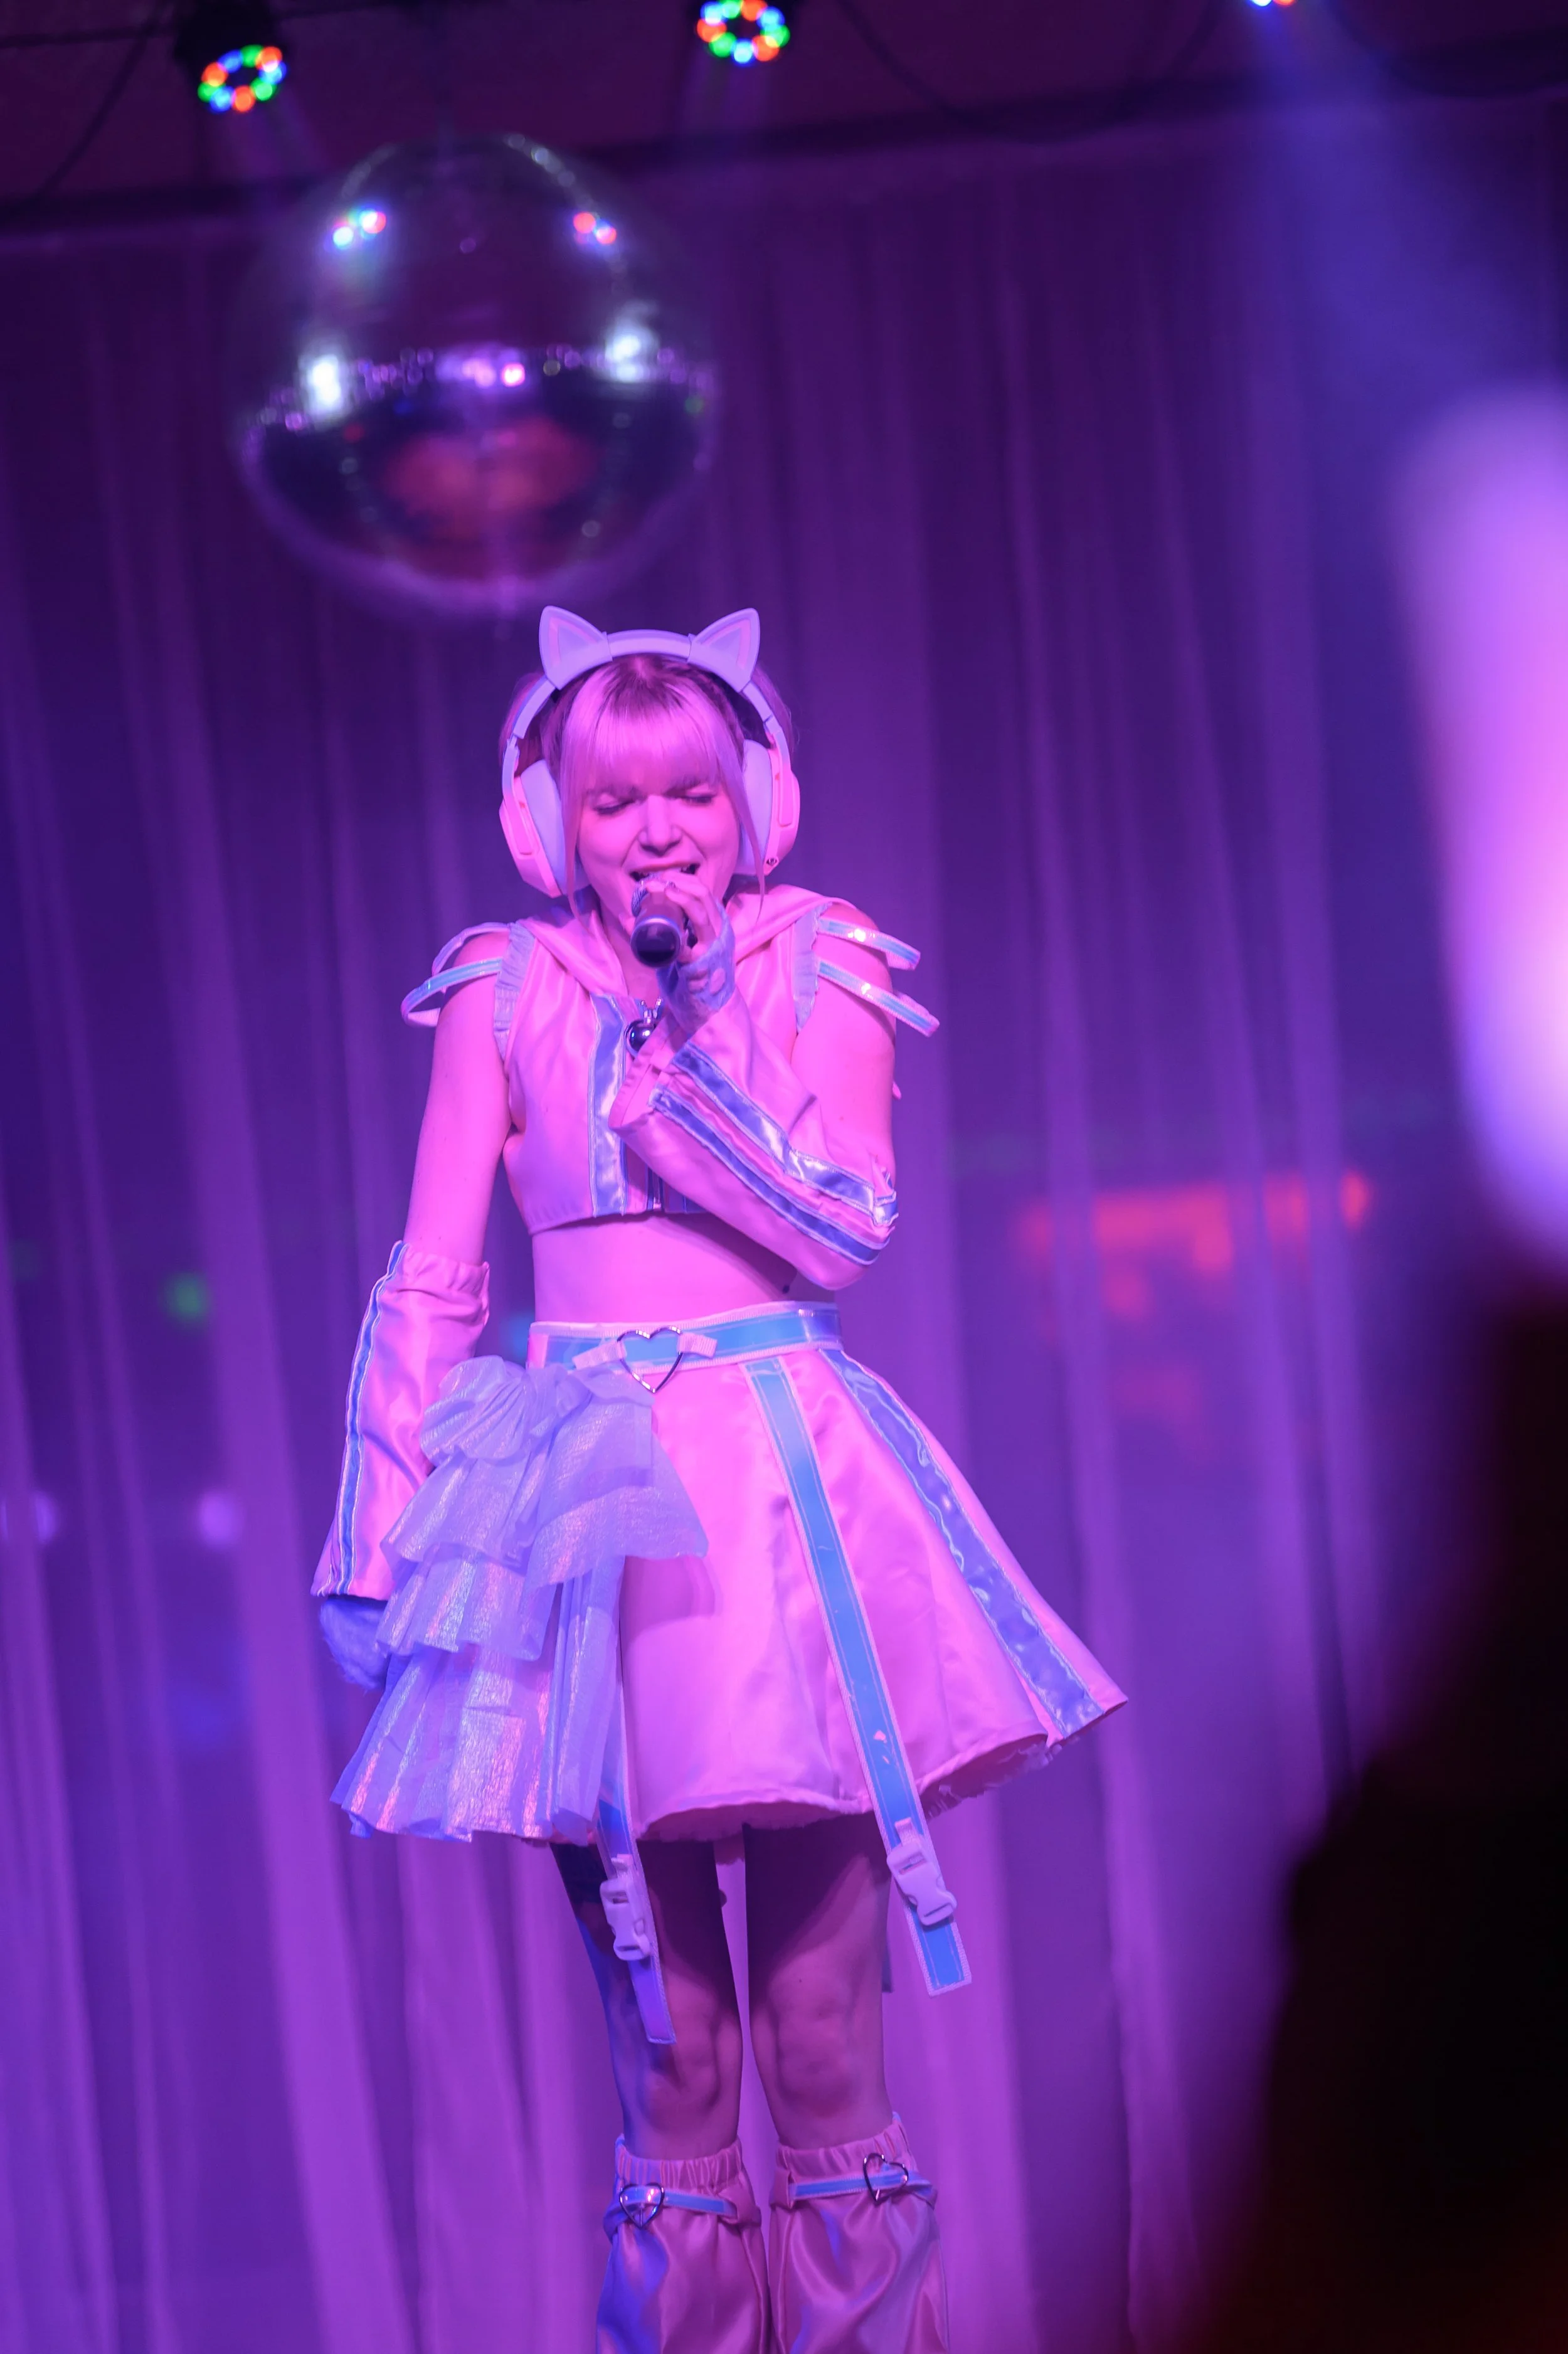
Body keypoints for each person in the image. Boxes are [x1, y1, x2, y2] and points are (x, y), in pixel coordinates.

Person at [313, 605, 1124, 2354]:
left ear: (751, 798)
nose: (656, 829)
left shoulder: (813, 958)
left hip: (780, 1499)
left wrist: (689, 1034)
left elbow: (838, 1227)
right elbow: (439, 1277)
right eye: (614, 803)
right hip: (580, 1512)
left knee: (821, 2036)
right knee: (668, 2054)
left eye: (688, 790)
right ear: (552, 823)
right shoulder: (502, 988)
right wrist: (381, 1549)